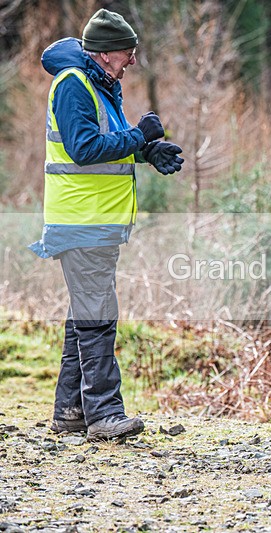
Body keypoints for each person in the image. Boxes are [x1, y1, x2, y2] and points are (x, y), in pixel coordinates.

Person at [29, 9, 184, 441]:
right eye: (128, 53)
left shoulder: (99, 84)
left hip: (93, 221)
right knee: (99, 314)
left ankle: (72, 410)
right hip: (81, 219)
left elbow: (107, 144)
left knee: (85, 313)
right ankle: (104, 414)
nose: (132, 62)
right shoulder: (74, 86)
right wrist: (140, 136)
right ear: (106, 52)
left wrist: (147, 152)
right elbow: (83, 148)